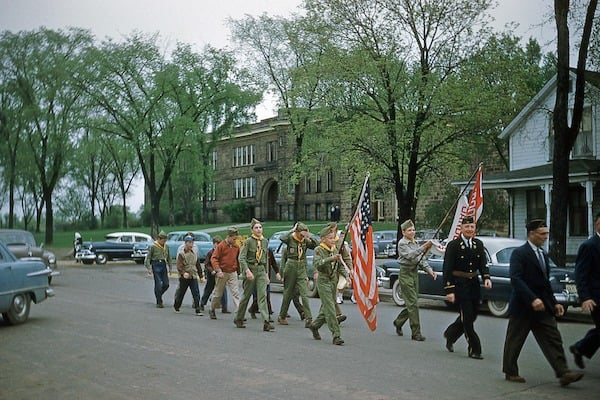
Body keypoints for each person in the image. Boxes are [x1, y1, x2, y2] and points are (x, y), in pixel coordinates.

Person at [502, 219, 584, 386]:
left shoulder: (543, 254)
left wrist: (554, 303)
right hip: (523, 306)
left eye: (547, 234)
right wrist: (532, 299)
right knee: (515, 340)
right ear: (531, 234)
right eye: (542, 234)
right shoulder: (520, 253)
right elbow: (516, 279)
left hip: (543, 307)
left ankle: (563, 373)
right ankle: (510, 371)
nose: (546, 237)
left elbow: (545, 283)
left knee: (553, 338)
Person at [442, 215, 492, 359]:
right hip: (460, 285)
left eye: (472, 227)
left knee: (472, 315)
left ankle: (450, 335)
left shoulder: (478, 244)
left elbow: (483, 264)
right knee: (468, 318)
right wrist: (449, 290)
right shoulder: (454, 245)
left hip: (474, 285)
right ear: (462, 228)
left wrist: (486, 278)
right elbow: (447, 269)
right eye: (467, 227)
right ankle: (474, 348)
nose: (469, 229)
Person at [393, 219, 436, 341]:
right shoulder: (402, 243)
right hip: (405, 273)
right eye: (409, 230)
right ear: (403, 232)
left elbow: (420, 260)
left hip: (414, 273)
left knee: (413, 303)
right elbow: (411, 255)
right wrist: (424, 247)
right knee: (413, 304)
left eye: (413, 229)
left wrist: (430, 271)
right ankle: (416, 332)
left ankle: (398, 321)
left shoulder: (415, 242)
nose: (412, 232)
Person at [309, 225, 351, 345]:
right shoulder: (319, 250)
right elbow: (318, 264)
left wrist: (347, 276)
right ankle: (336, 335)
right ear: (323, 239)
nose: (333, 240)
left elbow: (339, 266)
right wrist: (331, 258)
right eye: (330, 238)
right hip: (323, 280)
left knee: (328, 306)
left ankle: (315, 325)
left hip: (333, 280)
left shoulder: (334, 249)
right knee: (331, 309)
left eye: (334, 238)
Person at [570, 212, 600, 369]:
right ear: (597, 224)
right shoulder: (589, 246)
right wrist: (585, 297)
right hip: (596, 298)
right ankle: (580, 348)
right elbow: (580, 275)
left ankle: (579, 348)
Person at [235, 218, 275, 331]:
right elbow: (241, 258)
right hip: (251, 269)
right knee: (246, 296)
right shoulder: (248, 241)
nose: (258, 230)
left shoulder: (265, 241)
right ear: (252, 230)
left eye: (260, 227)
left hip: (261, 269)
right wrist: (247, 271)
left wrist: (267, 274)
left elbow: (266, 258)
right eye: (256, 228)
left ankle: (266, 321)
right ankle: (239, 317)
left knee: (262, 296)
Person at [277, 222, 318, 327]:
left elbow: (316, 246)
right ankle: (282, 316)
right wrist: (292, 230)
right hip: (291, 265)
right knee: (288, 293)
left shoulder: (305, 241)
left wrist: (310, 237)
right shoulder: (291, 238)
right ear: (297, 232)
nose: (302, 236)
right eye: (301, 234)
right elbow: (282, 238)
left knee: (304, 293)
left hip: (301, 267)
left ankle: (308, 318)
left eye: (304, 234)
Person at [208, 227, 241, 319]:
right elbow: (214, 258)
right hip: (222, 272)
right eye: (234, 239)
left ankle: (239, 313)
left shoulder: (236, 247)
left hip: (232, 272)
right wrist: (218, 270)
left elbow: (237, 259)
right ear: (228, 237)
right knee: (218, 294)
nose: (235, 241)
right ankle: (212, 308)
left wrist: (238, 270)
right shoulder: (221, 246)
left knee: (236, 293)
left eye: (236, 239)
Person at [173, 235, 204, 315]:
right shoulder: (181, 254)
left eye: (192, 242)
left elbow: (198, 265)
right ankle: (177, 305)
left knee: (196, 292)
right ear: (185, 243)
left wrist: (201, 276)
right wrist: (183, 273)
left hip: (193, 275)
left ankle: (198, 309)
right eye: (189, 242)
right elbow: (179, 266)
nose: (191, 244)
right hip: (184, 277)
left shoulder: (195, 254)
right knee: (181, 292)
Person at [248, 248, 281, 319]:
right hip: (257, 276)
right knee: (258, 297)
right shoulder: (255, 251)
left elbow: (273, 263)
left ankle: (267, 315)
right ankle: (253, 309)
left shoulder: (269, 252)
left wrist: (277, 272)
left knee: (267, 296)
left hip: (266, 277)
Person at [200, 236, 228, 313]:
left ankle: (224, 307)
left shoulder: (222, 253)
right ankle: (202, 304)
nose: (218, 245)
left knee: (223, 290)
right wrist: (211, 270)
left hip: (220, 273)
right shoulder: (210, 253)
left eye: (219, 244)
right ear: (214, 244)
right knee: (208, 289)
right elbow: (207, 264)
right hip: (212, 274)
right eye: (217, 244)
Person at [144, 231, 172, 308]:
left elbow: (169, 257)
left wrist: (170, 267)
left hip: (163, 265)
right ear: (159, 239)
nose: (164, 242)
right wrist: (149, 268)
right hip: (156, 264)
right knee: (158, 284)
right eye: (163, 240)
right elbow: (148, 258)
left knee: (166, 284)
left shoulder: (166, 247)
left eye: (165, 240)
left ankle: (158, 294)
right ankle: (159, 301)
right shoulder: (153, 247)